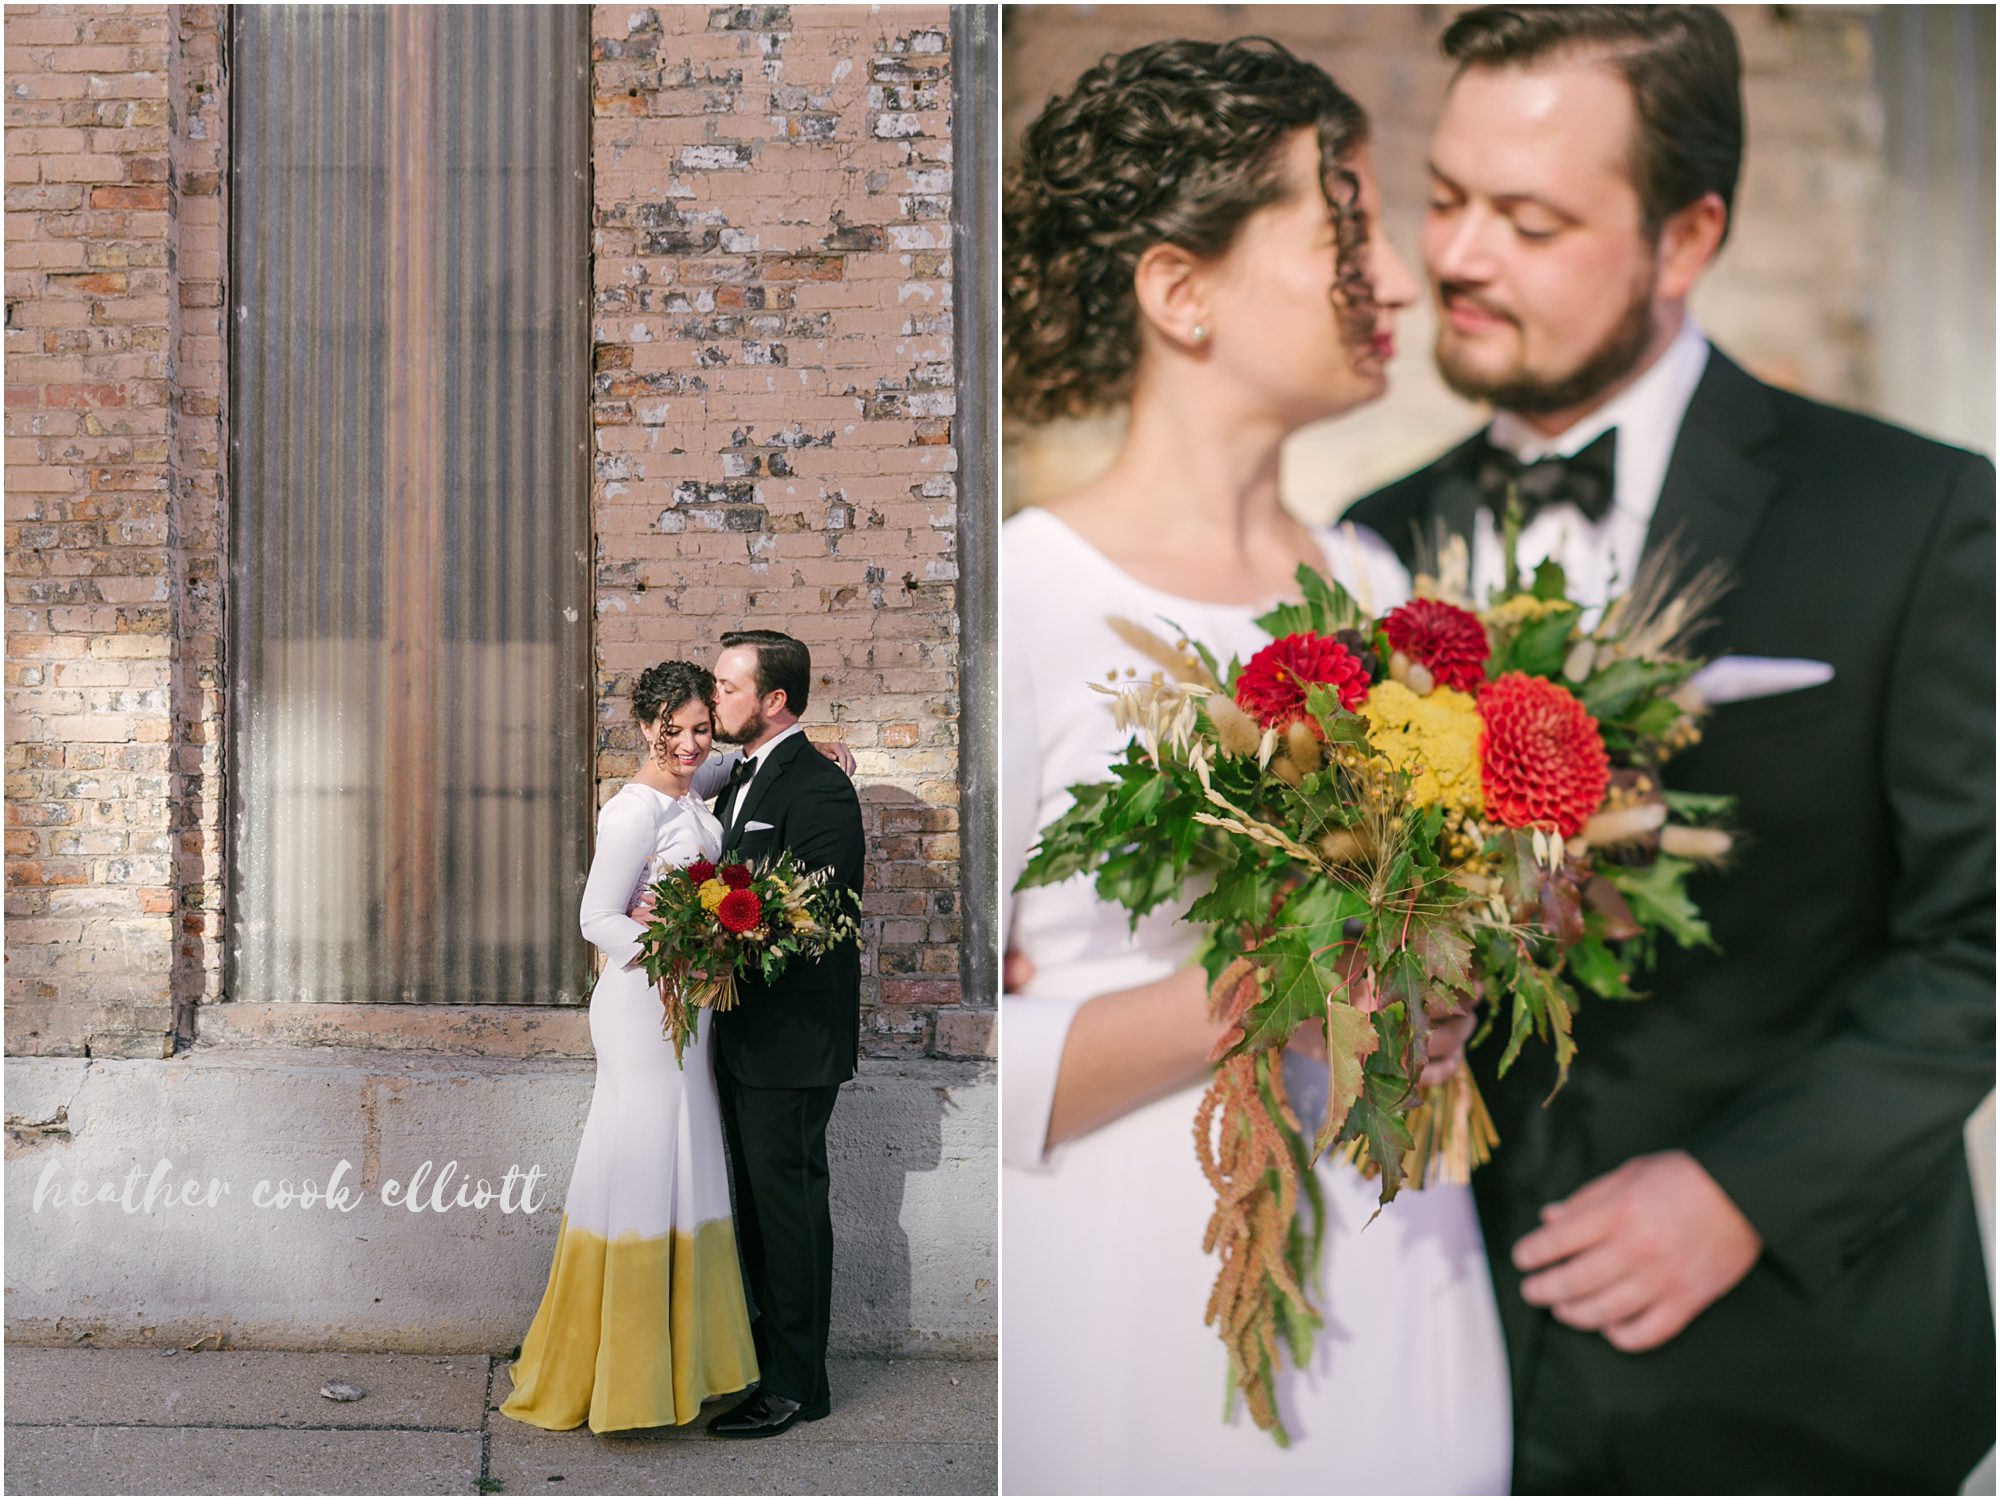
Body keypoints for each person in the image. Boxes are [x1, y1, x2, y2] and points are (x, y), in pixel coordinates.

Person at [1346, 7, 1995, 1491]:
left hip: (1805, 1376)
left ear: (1688, 234)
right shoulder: (1362, 555)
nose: (1456, 255)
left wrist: (1742, 1191)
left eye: (1530, 218)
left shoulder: (1914, 512)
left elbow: (1979, 941)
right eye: (1445, 197)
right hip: (1444, 1372)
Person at [1001, 38, 1511, 1494]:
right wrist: (1268, 987)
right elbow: (929, 1058)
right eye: (1345, 225)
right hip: (1139, 1293)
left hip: (1409, 1275)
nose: (1400, 279)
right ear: (1182, 290)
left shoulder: (1386, 585)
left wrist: (1457, 975)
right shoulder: (1026, 603)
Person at [499, 660, 758, 1433]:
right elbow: (596, 919)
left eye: (698, 729)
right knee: (646, 1160)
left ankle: (685, 1362)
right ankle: (622, 1371)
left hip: (692, 1006)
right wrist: (676, 944)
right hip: (644, 1003)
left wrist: (823, 749)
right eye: (669, 731)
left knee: (688, 1156)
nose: (686, 744)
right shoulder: (633, 811)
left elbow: (735, 762)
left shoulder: (695, 781)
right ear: (643, 727)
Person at [701, 629, 867, 1438]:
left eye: (728, 687)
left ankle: (799, 1384)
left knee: (791, 1211)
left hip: (793, 1043)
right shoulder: (736, 777)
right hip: (740, 1039)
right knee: (760, 1211)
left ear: (775, 701)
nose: (714, 699)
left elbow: (821, 920)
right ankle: (763, 1365)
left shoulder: (821, 789)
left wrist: (709, 935)